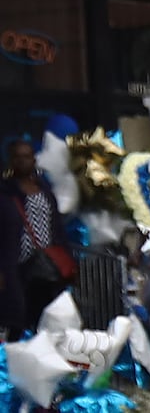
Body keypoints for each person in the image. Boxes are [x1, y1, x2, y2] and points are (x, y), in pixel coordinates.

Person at [0, 137, 69, 335]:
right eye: (18, 157)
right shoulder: (5, 193)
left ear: (34, 160)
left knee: (48, 319)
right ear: (11, 161)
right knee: (17, 318)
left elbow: (57, 227)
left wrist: (66, 260)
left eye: (27, 156)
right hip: (17, 266)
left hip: (46, 265)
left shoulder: (45, 191)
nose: (22, 161)